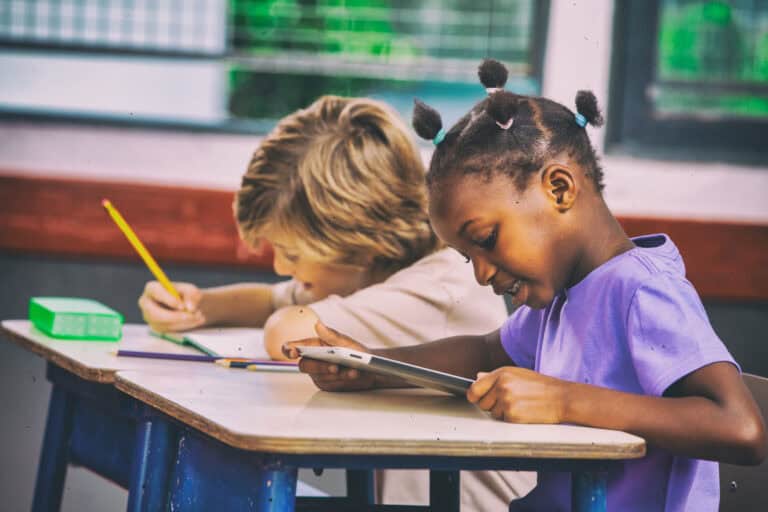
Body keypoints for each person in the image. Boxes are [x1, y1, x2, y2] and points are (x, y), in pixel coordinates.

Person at [284, 61, 767, 511]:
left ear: (559, 188)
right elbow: (486, 354)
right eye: (466, 257)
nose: (480, 273)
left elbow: (741, 428)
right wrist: (374, 366)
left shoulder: (642, 290)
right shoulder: (560, 298)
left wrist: (563, 400)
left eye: (487, 240)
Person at [138, 95, 536, 511]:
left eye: (291, 254)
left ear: (354, 243)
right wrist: (199, 304)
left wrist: (265, 310)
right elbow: (273, 299)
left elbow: (285, 331)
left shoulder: (439, 287)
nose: (278, 266)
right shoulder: (377, 275)